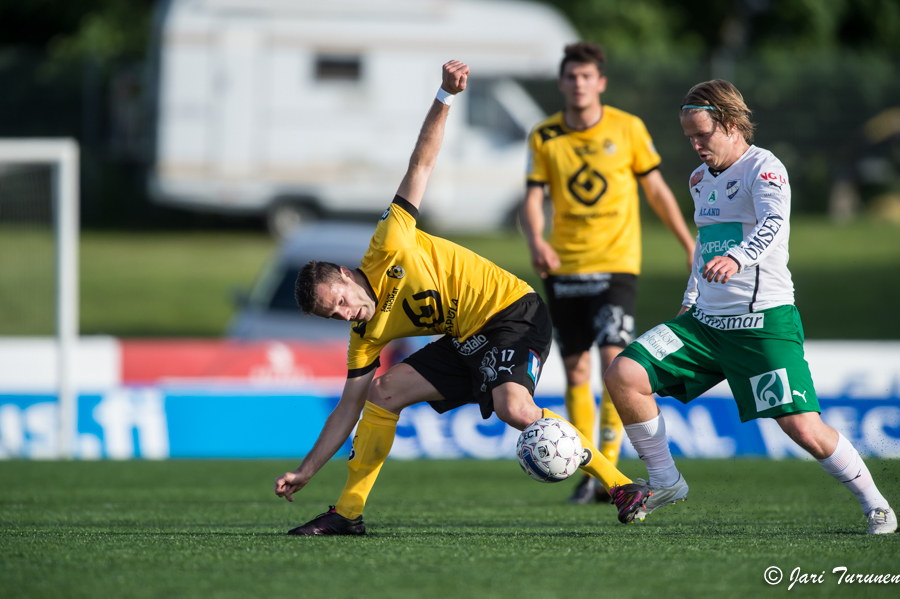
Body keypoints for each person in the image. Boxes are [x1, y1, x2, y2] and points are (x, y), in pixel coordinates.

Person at [273, 60, 647, 535]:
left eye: (341, 300)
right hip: (467, 337)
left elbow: (421, 165)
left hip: (512, 312)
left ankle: (619, 485)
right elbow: (347, 408)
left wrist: (445, 96)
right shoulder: (365, 334)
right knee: (382, 393)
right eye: (334, 316)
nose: (347, 314)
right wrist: (307, 469)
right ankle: (347, 513)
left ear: (347, 275)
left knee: (515, 410)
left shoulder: (389, 242)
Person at [603, 79, 897, 534]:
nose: (696, 146)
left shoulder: (765, 169)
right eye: (690, 138)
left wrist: (737, 257)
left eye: (703, 135)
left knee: (804, 429)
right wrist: (690, 297)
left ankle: (876, 504)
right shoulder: (700, 179)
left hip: (763, 324)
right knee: (624, 374)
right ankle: (665, 481)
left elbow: (775, 223)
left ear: (732, 124)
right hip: (704, 324)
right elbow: (705, 244)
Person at [521, 43, 695, 504]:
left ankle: (610, 471)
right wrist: (537, 241)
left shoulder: (628, 128)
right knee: (575, 369)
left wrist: (688, 243)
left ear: (600, 82)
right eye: (571, 77)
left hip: (616, 264)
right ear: (562, 83)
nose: (579, 84)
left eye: (586, 76)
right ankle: (591, 472)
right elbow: (534, 197)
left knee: (613, 361)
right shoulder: (544, 136)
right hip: (564, 266)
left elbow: (656, 190)